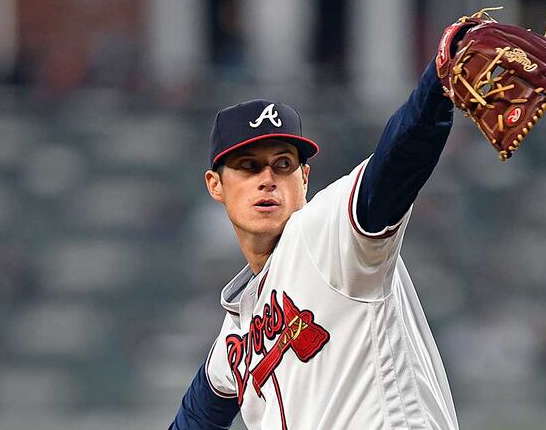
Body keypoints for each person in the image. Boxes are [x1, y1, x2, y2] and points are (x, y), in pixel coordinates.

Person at [169, 53, 459, 429]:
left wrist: (435, 88)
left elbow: (395, 166)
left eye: (283, 165)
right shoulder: (236, 331)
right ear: (215, 185)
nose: (268, 178)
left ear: (304, 178)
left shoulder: (325, 231)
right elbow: (196, 415)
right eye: (249, 166)